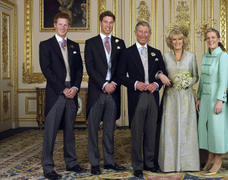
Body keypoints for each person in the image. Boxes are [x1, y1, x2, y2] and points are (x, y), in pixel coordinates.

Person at [117, 21, 167, 178]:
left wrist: (156, 84)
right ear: (135, 32)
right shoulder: (127, 53)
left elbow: (163, 74)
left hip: (152, 97)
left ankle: (150, 163)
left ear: (150, 34)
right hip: (136, 97)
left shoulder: (156, 53)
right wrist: (135, 84)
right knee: (137, 133)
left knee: (151, 132)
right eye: (141, 32)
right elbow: (119, 76)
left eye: (146, 32)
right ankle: (137, 165)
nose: (143, 35)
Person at [39, 12, 84, 180]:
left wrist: (75, 87)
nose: (63, 27)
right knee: (50, 131)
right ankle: (48, 166)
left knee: (70, 130)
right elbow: (47, 70)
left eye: (66, 25)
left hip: (71, 91)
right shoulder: (46, 45)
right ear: (54, 25)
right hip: (56, 92)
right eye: (60, 24)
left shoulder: (74, 46)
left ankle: (71, 162)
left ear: (69, 27)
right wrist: (62, 89)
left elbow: (79, 69)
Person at [84, 10, 126, 175]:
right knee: (93, 130)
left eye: (111, 22)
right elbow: (90, 68)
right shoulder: (91, 42)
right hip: (97, 92)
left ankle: (109, 162)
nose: (108, 25)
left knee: (109, 130)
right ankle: (95, 163)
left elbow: (121, 68)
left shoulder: (119, 43)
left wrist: (113, 83)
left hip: (113, 92)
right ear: (100, 23)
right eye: (105, 22)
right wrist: (104, 84)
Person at [157, 24, 200, 172]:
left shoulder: (191, 56)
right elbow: (159, 71)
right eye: (174, 40)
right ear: (170, 41)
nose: (177, 42)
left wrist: (188, 81)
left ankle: (189, 164)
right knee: (171, 129)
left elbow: (196, 76)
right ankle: (169, 164)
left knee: (187, 129)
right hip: (170, 99)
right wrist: (160, 75)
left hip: (187, 98)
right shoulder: (165, 56)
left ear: (184, 40)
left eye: (179, 39)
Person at [195, 28, 228, 175]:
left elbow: (223, 80)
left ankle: (218, 160)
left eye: (213, 37)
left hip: (216, 98)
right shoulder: (205, 56)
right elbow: (202, 79)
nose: (210, 40)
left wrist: (220, 100)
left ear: (218, 39)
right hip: (205, 98)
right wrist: (198, 97)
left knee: (217, 130)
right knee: (206, 129)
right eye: (208, 38)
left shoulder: (223, 56)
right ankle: (210, 156)